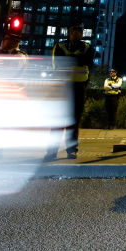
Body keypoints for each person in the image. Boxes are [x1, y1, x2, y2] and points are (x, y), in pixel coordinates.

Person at [47, 23, 94, 160]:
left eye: (79, 31)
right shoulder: (60, 46)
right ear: (69, 32)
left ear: (82, 33)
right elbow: (59, 64)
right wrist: (78, 60)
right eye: (73, 31)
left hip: (79, 87)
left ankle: (71, 150)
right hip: (63, 86)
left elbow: (88, 62)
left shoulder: (87, 47)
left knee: (74, 120)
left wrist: (70, 60)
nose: (76, 34)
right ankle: (51, 151)